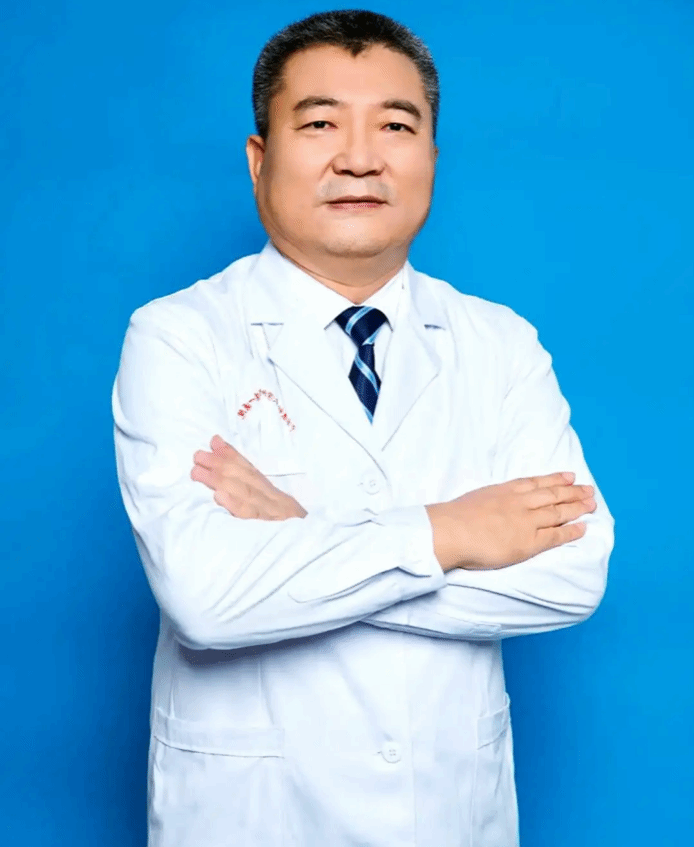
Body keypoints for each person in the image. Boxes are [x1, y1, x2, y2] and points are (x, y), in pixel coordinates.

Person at [112, 9, 614, 847]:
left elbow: (572, 576)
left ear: (432, 159)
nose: (359, 157)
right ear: (259, 159)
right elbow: (205, 597)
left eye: (395, 126)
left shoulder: (501, 343)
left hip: (451, 816)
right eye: (320, 124)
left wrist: (302, 531)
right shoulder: (178, 335)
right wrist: (449, 532)